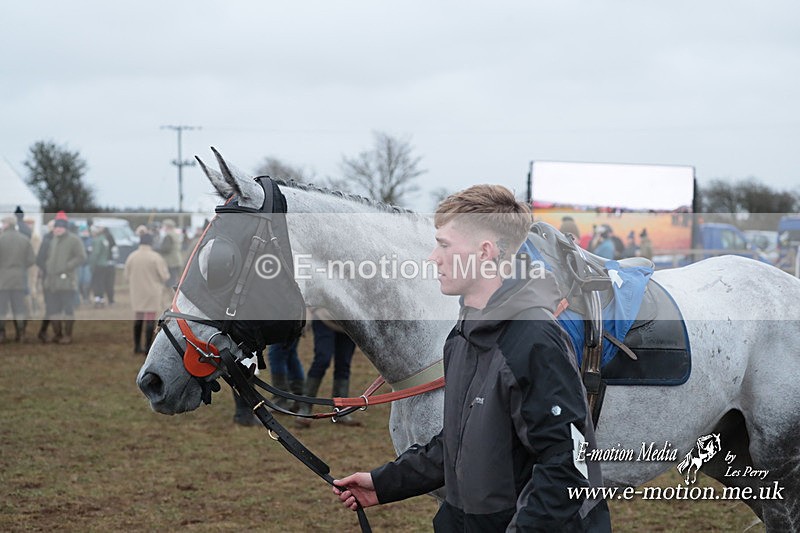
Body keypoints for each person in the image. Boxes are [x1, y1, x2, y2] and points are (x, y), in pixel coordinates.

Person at [333, 185, 610, 531]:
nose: (433, 257)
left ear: (484, 252)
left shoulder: (535, 340)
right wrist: (384, 482)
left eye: (444, 245)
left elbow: (567, 467)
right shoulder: (462, 336)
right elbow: (459, 442)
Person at [295, 309, 359, 427]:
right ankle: (305, 408)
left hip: (349, 321)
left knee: (344, 364)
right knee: (322, 360)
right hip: (324, 317)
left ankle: (340, 411)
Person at [42, 212, 87, 344]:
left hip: (67, 281)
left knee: (68, 309)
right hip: (51, 281)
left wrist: (67, 266)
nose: (57, 229)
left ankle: (67, 335)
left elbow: (81, 256)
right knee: (53, 309)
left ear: (65, 228)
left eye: (60, 227)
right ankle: (58, 334)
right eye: (56, 227)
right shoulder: (53, 240)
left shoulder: (74, 240)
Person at [124, 231, 169, 354]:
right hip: (152, 293)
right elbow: (164, 276)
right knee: (150, 320)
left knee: (138, 319)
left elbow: (126, 276)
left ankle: (137, 347)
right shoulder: (155, 257)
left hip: (137, 292)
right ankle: (148, 348)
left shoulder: (131, 256)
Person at [0, 216, 35, 342]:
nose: (2, 225)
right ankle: (21, 334)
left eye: (3, 222)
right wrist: (21, 266)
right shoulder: (24, 239)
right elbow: (31, 259)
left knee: (1, 308)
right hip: (19, 278)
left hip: (2, 280)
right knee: (19, 308)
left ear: (8, 224)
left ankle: (1, 334)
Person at [88, 225, 112, 307]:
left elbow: (96, 253)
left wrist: (91, 265)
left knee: (96, 283)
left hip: (98, 264)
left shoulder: (97, 240)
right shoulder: (104, 239)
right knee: (101, 282)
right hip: (104, 264)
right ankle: (102, 299)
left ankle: (97, 299)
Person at [157, 219, 184, 288]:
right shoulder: (176, 234)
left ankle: (172, 296)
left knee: (170, 281)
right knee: (176, 279)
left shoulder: (168, 236)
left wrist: (156, 249)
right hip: (177, 260)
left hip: (170, 262)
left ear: (167, 227)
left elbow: (166, 249)